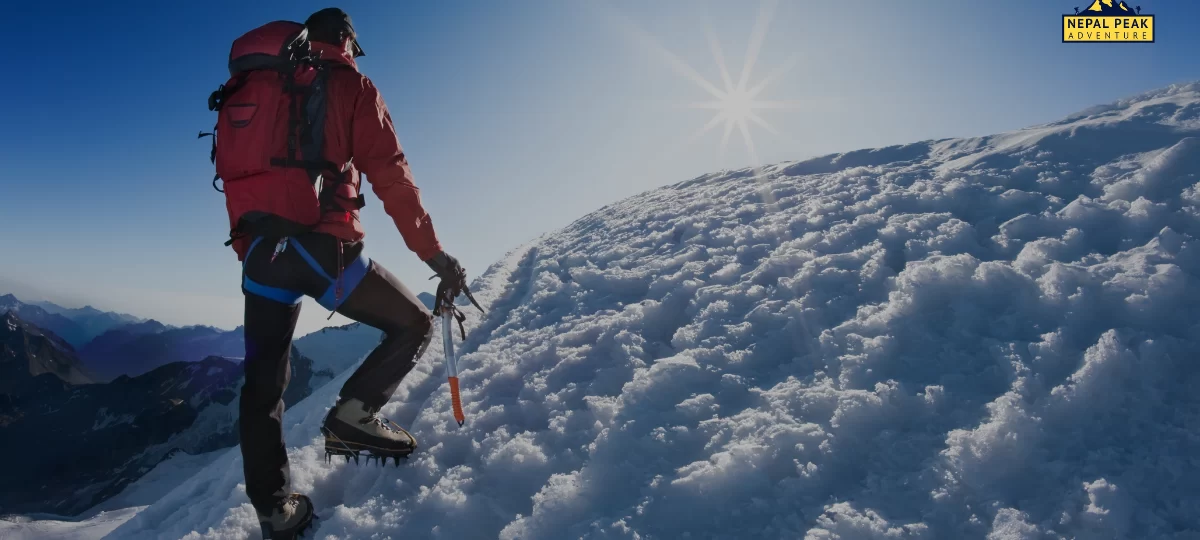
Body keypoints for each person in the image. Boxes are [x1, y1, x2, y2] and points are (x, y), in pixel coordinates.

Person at [227, 8, 470, 538]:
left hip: (260, 256)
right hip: (320, 249)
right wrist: (436, 258)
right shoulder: (352, 86)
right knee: (413, 324)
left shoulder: (259, 83)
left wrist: (255, 247)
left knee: (262, 387)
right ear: (348, 42)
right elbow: (392, 177)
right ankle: (353, 415)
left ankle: (275, 513)